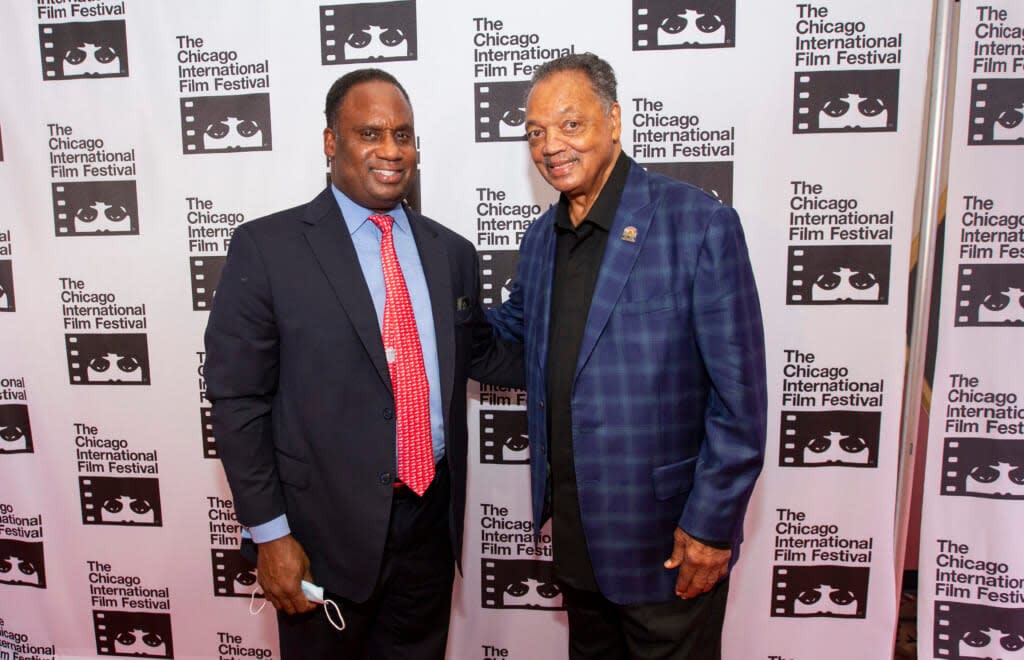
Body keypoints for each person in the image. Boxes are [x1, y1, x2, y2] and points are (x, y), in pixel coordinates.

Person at [204, 68, 522, 659]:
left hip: (428, 529)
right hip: (318, 537)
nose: (391, 151)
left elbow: (482, 351)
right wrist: (270, 535)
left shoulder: (450, 251)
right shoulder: (268, 249)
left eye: (403, 135)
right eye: (370, 133)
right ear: (331, 142)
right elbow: (236, 401)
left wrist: (584, 345)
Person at [488, 53, 767, 659]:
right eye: (535, 132)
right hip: (578, 541)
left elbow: (740, 402)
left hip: (669, 545)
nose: (550, 145)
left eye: (569, 124)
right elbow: (511, 339)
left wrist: (710, 528)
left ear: (613, 120)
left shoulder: (697, 224)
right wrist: (424, 304)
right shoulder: (541, 239)